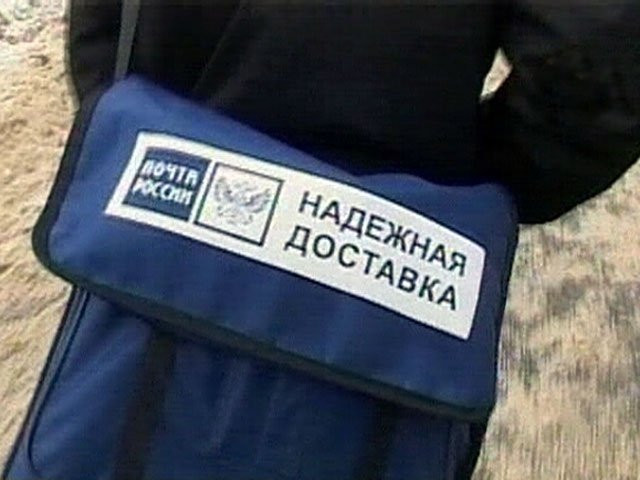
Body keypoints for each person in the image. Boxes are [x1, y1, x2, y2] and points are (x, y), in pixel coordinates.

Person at [65, 1, 640, 478]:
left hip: (161, 239)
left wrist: (129, 131)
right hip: (377, 278)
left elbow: (105, 33)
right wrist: (465, 189)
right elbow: (603, 67)